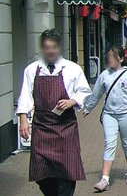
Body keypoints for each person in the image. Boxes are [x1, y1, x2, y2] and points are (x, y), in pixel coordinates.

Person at [16, 28, 92, 196]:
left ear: (59, 48)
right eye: (47, 47)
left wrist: (72, 101)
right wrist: (23, 121)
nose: (50, 51)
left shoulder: (72, 69)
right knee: (41, 174)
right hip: (42, 128)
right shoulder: (32, 70)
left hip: (65, 128)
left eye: (53, 47)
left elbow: (85, 92)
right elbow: (25, 96)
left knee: (66, 173)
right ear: (43, 48)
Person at [83, 46, 127, 191]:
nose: (109, 59)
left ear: (120, 59)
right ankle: (105, 179)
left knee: (126, 142)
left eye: (112, 57)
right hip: (109, 115)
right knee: (110, 143)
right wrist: (88, 108)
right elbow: (96, 94)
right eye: (108, 57)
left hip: (126, 114)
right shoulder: (104, 75)